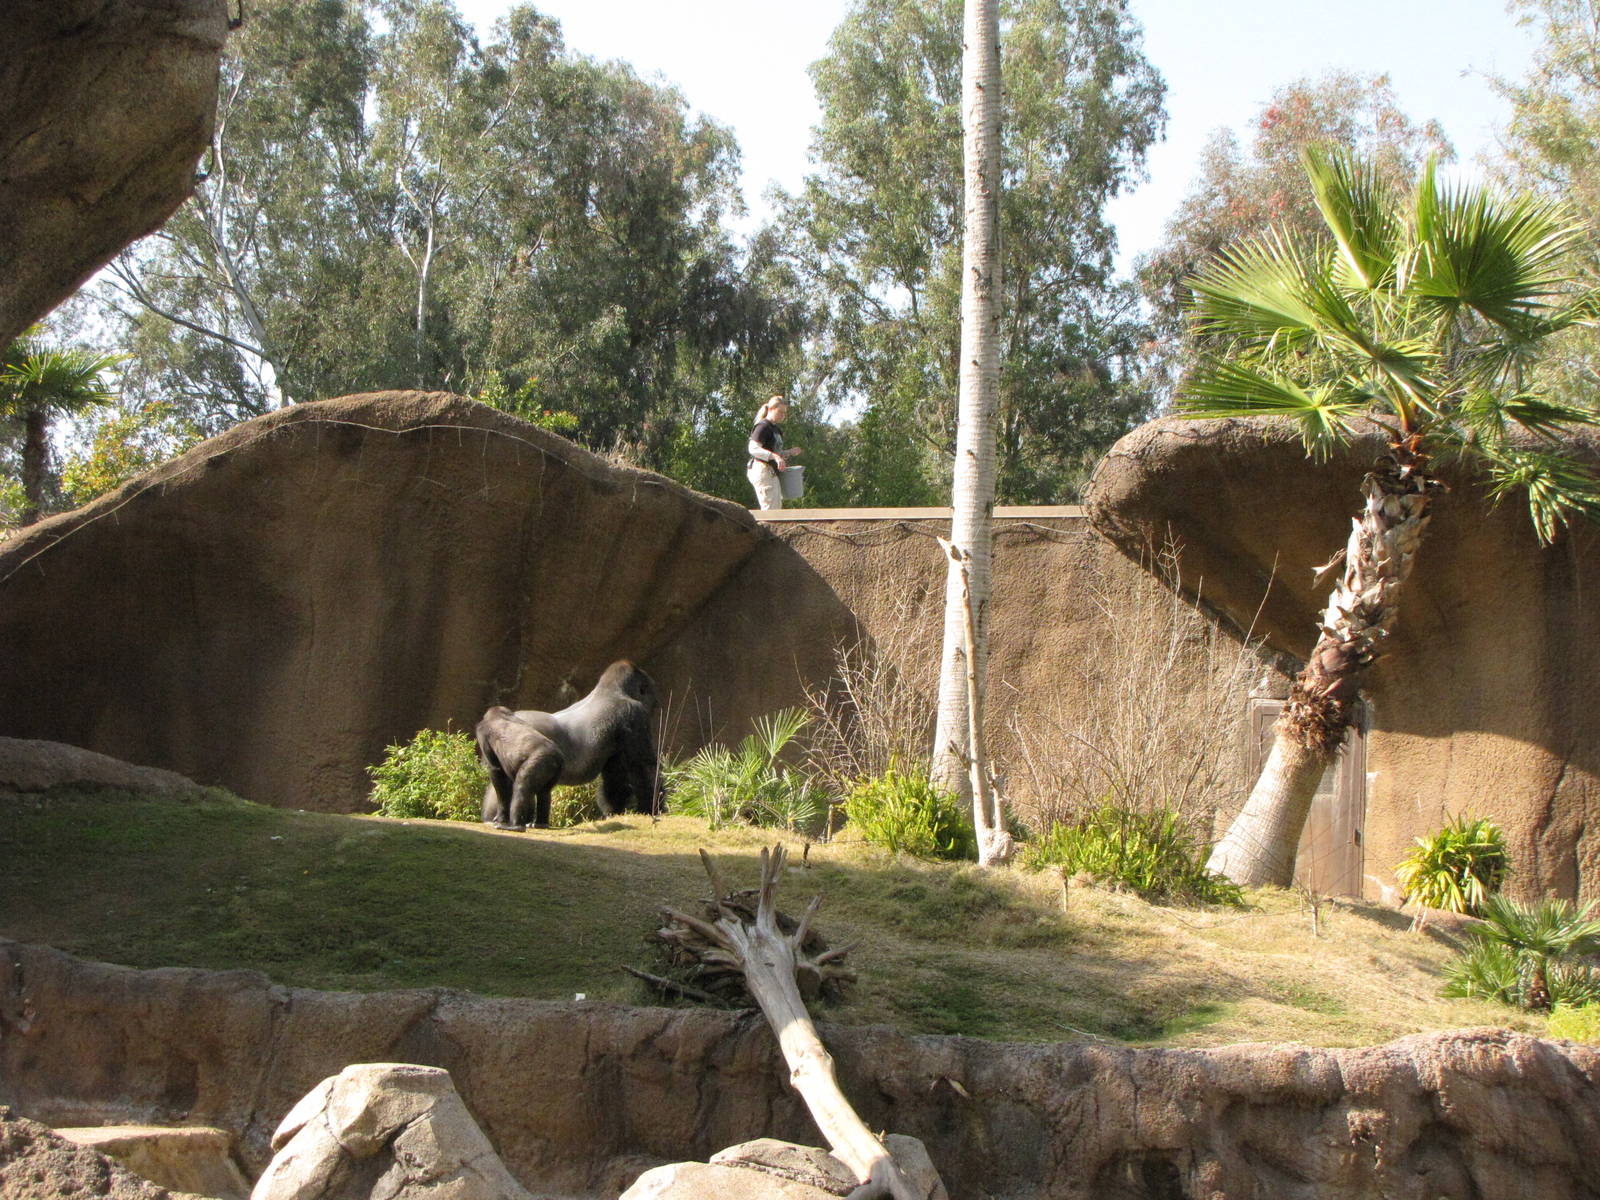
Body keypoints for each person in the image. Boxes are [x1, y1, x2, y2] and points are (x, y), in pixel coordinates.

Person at [746, 395, 802, 510]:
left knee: (776, 508)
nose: (783, 415)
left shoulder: (775, 429)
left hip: (771, 472)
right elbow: (753, 449)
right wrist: (775, 456)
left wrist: (789, 452)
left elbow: (775, 452)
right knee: (770, 509)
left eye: (784, 413)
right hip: (762, 469)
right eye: (780, 411)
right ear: (771, 409)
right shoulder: (763, 426)